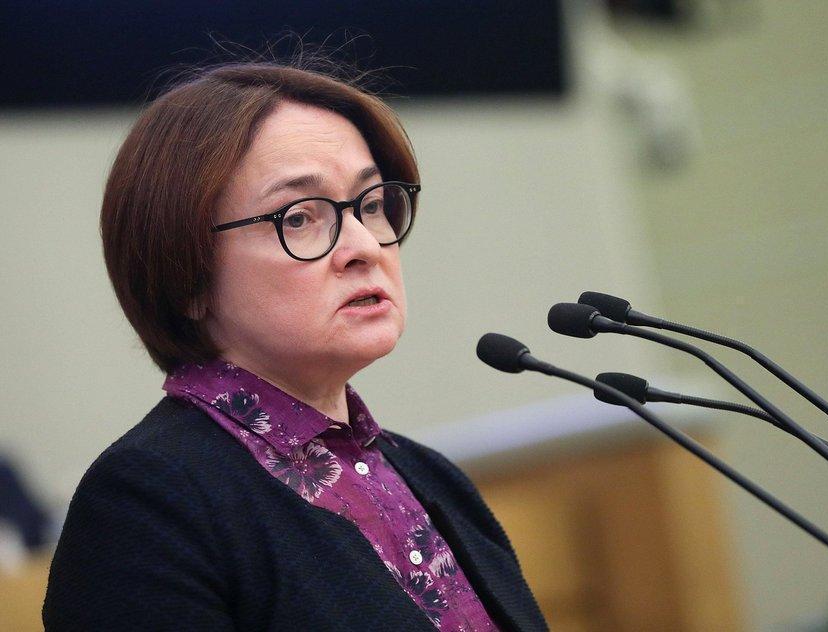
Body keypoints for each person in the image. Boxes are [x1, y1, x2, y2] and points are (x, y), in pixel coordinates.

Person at [42, 61, 548, 631]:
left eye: (371, 205)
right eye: (300, 217)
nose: (364, 246)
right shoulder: (149, 503)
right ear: (188, 278)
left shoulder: (431, 477)